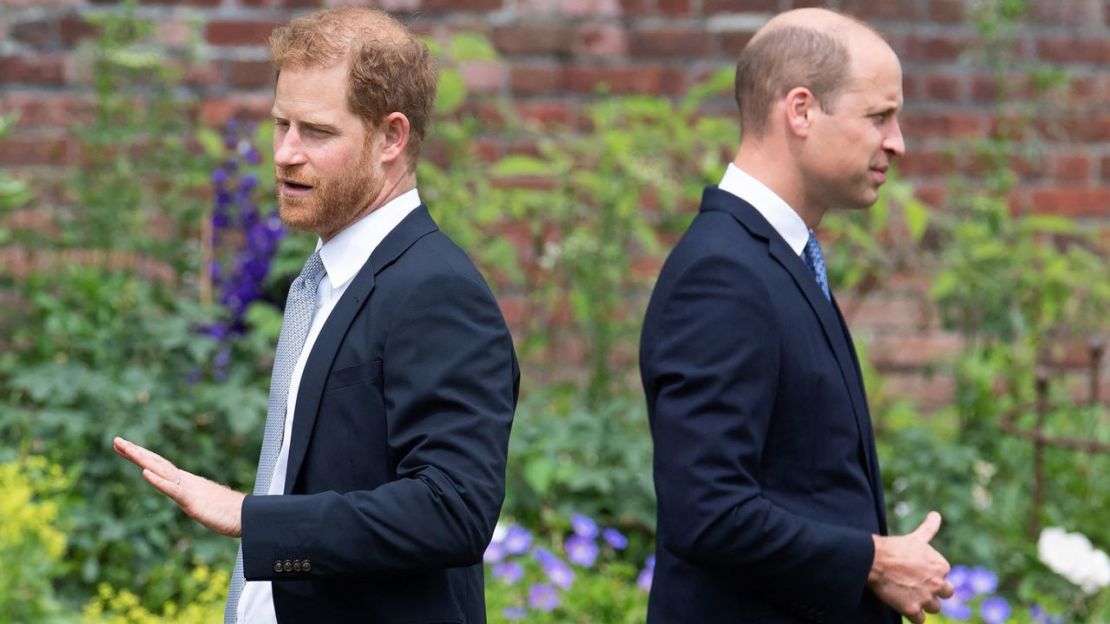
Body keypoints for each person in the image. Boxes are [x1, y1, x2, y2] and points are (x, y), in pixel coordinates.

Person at [114, 8, 518, 623]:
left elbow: (453, 510)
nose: (285, 153)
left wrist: (250, 517)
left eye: (317, 132)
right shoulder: (328, 277)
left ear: (392, 137)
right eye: (281, 124)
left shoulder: (435, 289)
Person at [640, 8, 954, 624]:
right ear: (801, 110)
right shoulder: (723, 275)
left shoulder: (776, 258)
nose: (897, 142)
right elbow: (708, 510)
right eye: (878, 117)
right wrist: (872, 560)